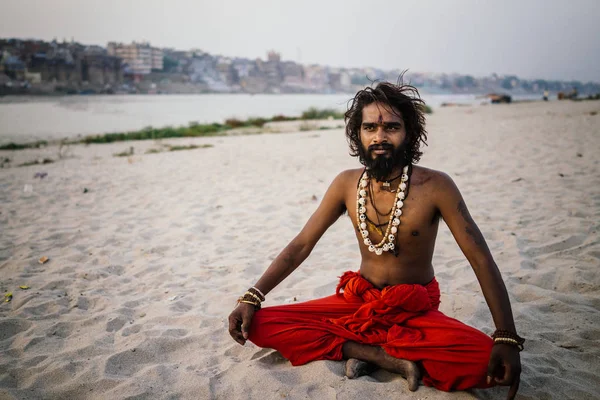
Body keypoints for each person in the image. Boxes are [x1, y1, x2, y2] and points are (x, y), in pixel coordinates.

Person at [228, 80, 523, 399]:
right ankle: (379, 356)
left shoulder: (436, 186)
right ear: (358, 134)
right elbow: (301, 246)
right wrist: (252, 296)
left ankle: (368, 348)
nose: (380, 136)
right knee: (258, 324)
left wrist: (505, 336)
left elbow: (480, 259)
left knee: (488, 363)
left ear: (408, 132)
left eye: (391, 127)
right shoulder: (346, 184)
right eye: (370, 127)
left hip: (413, 308)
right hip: (359, 301)